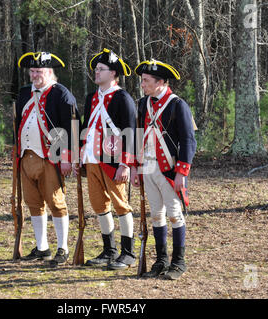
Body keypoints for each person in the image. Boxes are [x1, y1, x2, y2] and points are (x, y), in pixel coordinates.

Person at [131, 59, 197, 280]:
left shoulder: (178, 105)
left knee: (175, 215)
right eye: (143, 80)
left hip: (169, 169)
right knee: (156, 215)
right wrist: (134, 167)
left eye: (146, 81)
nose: (143, 84)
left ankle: (178, 262)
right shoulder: (142, 104)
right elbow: (137, 137)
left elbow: (188, 141)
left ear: (160, 82)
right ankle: (161, 260)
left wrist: (182, 173)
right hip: (147, 166)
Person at [15, 51, 78, 267]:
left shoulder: (61, 94)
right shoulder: (24, 93)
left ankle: (63, 248)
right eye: (32, 71)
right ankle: (42, 247)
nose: (34, 75)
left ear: (49, 72)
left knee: (56, 203)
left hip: (51, 157)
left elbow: (70, 126)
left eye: (39, 71)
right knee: (33, 203)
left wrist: (67, 157)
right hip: (26, 156)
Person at [78, 48, 137, 270]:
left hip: (113, 162)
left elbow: (130, 131)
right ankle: (109, 250)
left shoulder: (123, 98)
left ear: (113, 73)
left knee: (121, 205)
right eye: (96, 69)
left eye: (101, 69)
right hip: (92, 159)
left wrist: (125, 164)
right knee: (99, 205)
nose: (96, 72)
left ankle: (128, 253)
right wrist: (79, 157)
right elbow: (86, 128)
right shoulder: (91, 98)